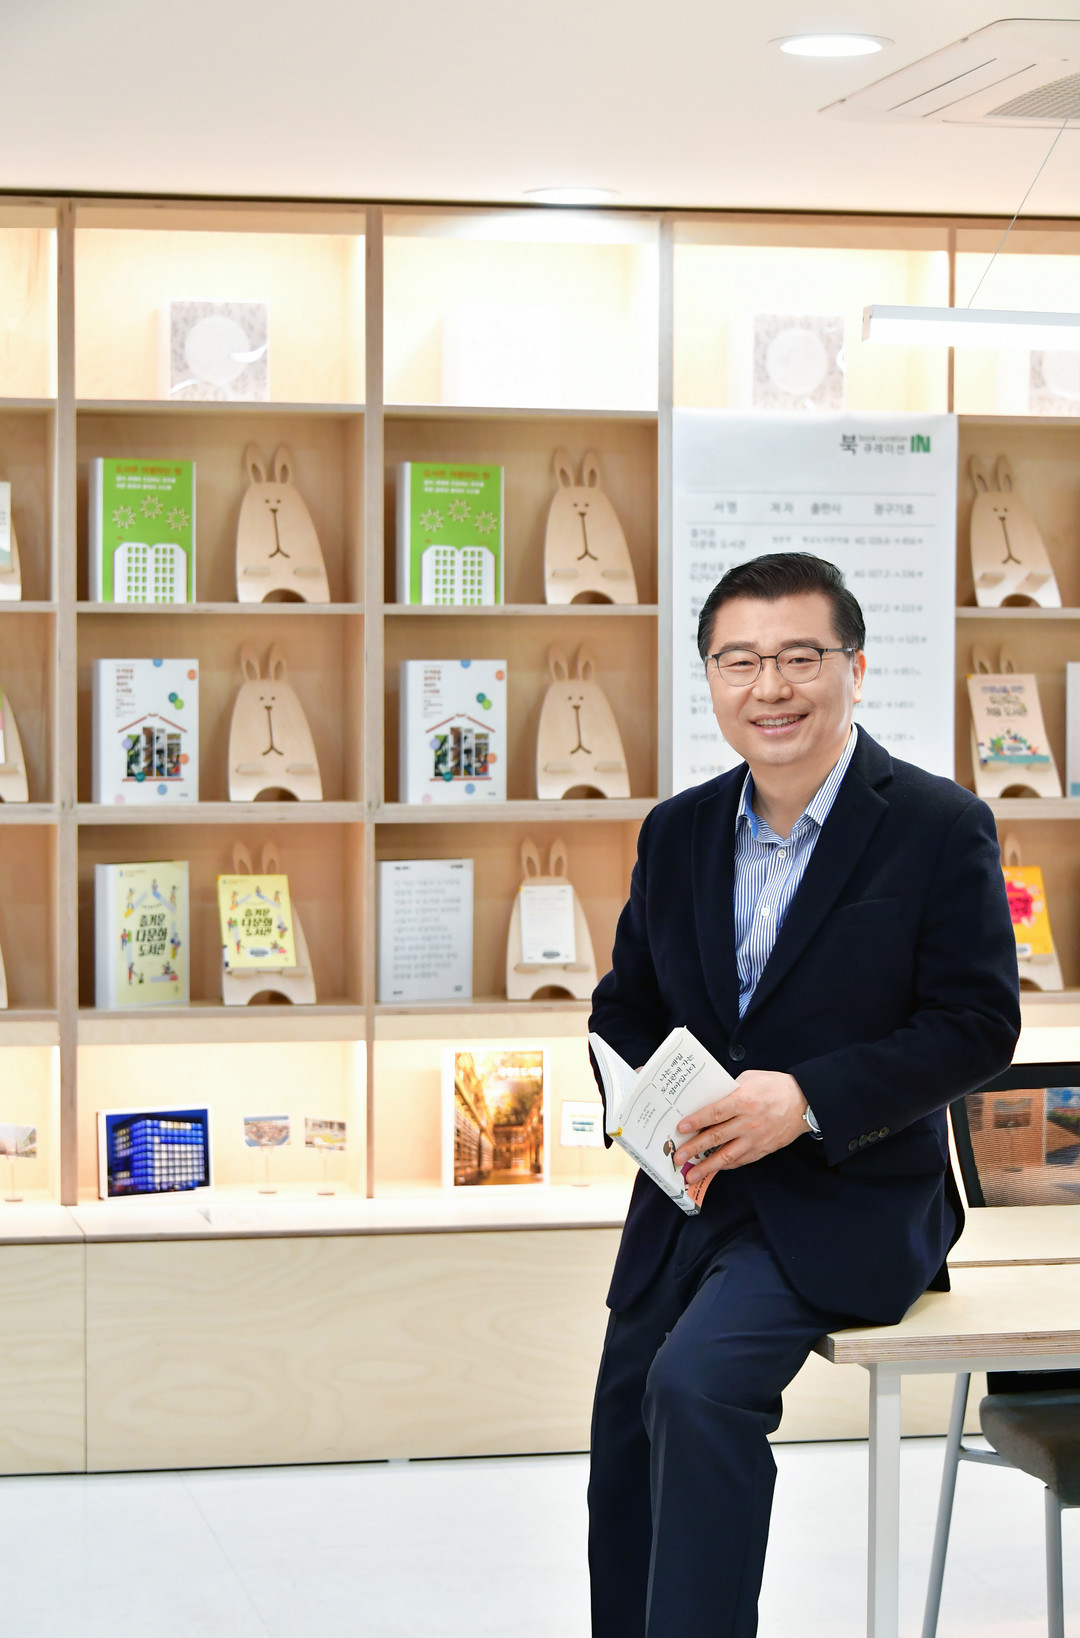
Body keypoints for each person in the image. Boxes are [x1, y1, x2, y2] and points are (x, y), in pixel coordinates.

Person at [587, 552, 1020, 1638]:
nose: (769, 687)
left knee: (696, 1387)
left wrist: (808, 1101)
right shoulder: (678, 830)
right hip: (692, 1190)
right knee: (627, 1423)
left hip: (847, 1191)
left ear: (854, 669)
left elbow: (977, 1024)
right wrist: (653, 1110)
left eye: (798, 657)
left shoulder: (938, 825)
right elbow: (624, 1008)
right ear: (710, 676)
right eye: (738, 661)